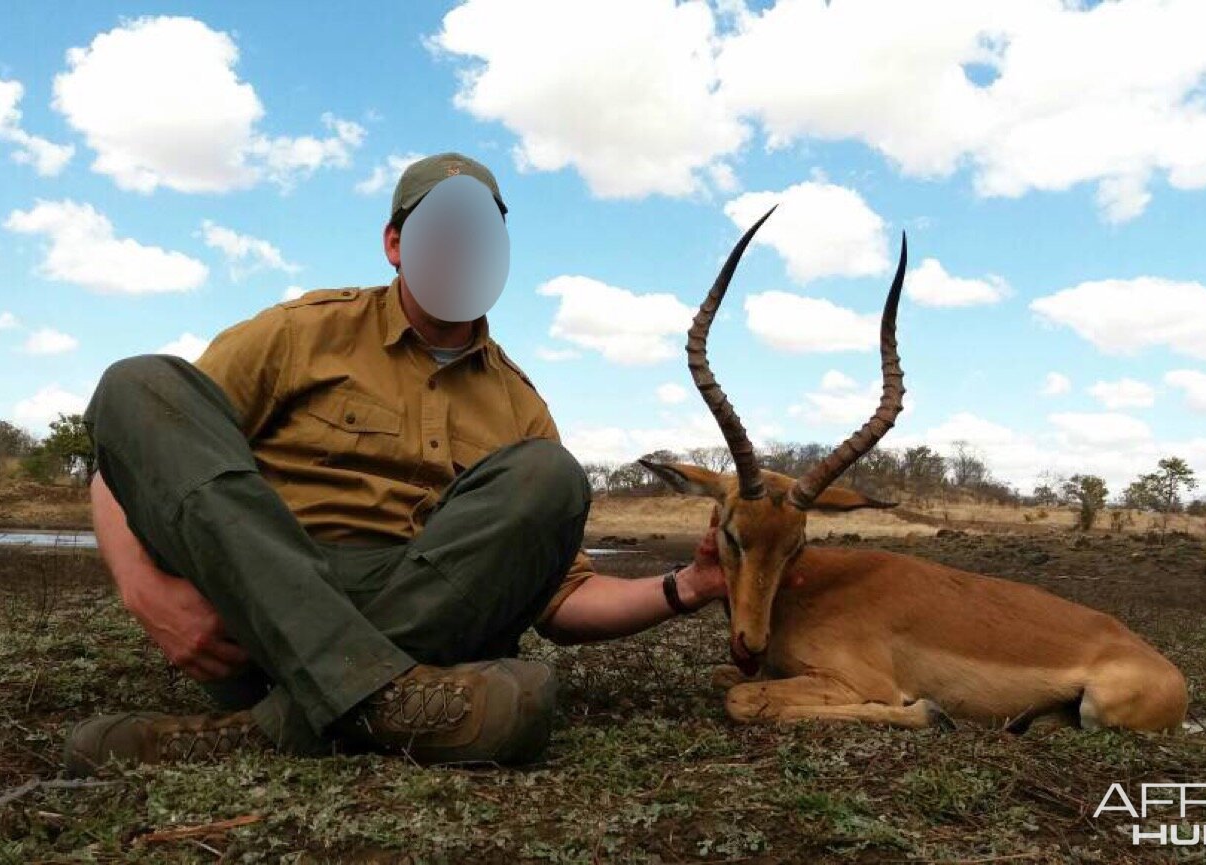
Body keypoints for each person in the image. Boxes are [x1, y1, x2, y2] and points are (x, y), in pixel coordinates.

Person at [65, 152, 726, 776]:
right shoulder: (301, 331)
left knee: (551, 476)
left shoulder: (521, 406)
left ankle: (274, 725)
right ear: (394, 243)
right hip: (263, 602)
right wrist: (144, 591)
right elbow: (143, 455)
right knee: (137, 385)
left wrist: (686, 587)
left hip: (423, 614)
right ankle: (380, 700)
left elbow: (562, 598)